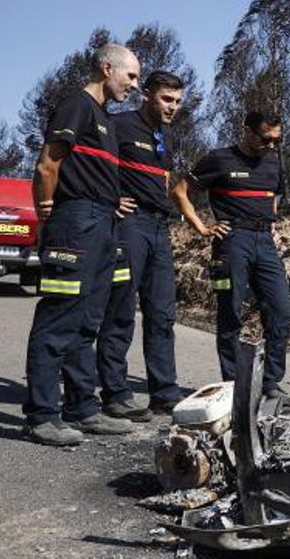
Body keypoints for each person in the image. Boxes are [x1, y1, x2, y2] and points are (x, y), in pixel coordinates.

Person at [23, 42, 141, 446]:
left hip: (103, 223)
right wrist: (48, 214)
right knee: (59, 317)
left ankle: (82, 408)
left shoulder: (105, 118)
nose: (135, 85)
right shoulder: (76, 105)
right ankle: (41, 415)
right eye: (131, 76)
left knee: (88, 320)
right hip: (76, 222)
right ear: (107, 68)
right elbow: (47, 165)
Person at [171, 111, 290, 399]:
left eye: (277, 140)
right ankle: (236, 385)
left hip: (265, 242)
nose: (271, 145)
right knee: (231, 314)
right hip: (232, 242)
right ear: (247, 131)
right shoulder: (219, 159)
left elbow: (274, 195)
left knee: (281, 312)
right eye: (266, 139)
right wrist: (201, 227)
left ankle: (270, 383)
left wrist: (270, 223)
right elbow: (179, 191)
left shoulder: (274, 161)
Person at [96, 71, 187, 421]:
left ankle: (164, 394)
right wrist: (109, 199)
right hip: (129, 225)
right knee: (120, 309)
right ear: (147, 95)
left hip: (159, 228)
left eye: (177, 101)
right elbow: (89, 163)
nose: (173, 107)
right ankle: (116, 394)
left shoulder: (162, 136)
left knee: (162, 314)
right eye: (167, 99)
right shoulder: (118, 124)